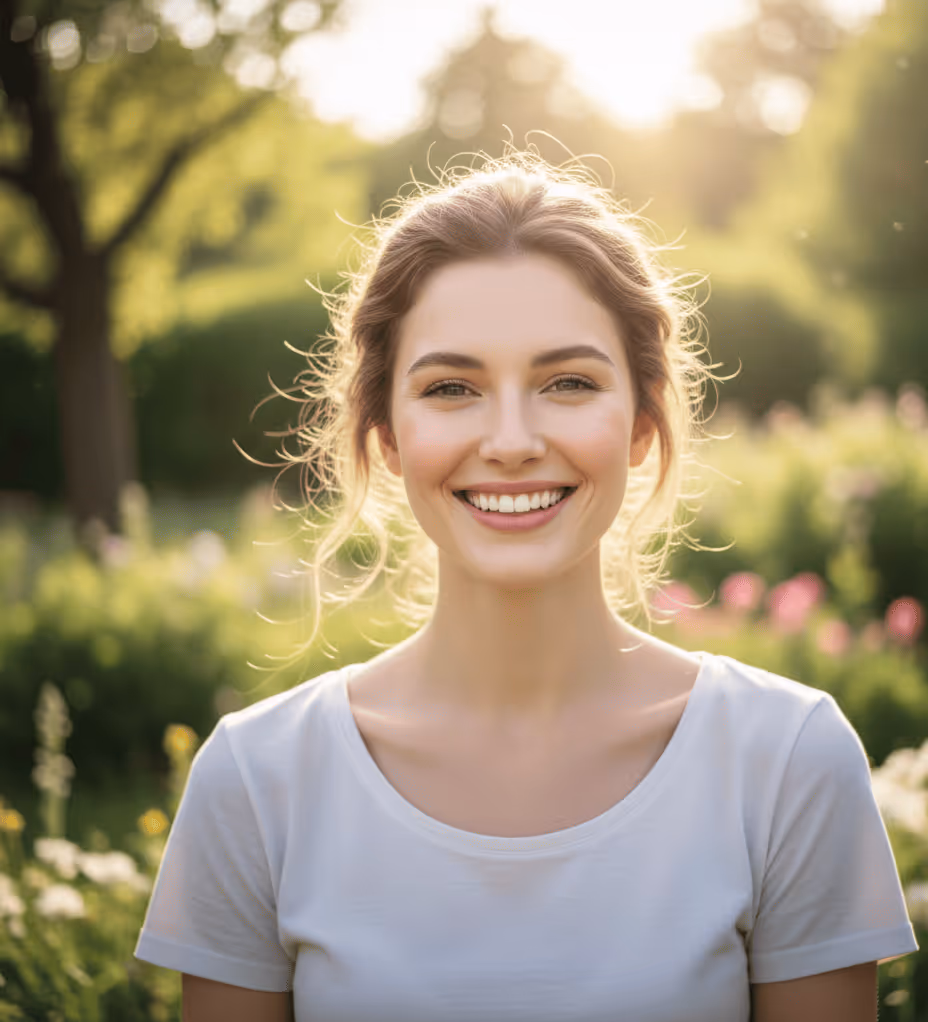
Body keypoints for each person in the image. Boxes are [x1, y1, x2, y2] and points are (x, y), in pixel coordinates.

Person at [134, 151, 918, 1021]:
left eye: (568, 383)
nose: (510, 439)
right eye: (452, 388)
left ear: (642, 424)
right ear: (387, 435)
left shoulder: (788, 760)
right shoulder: (258, 778)